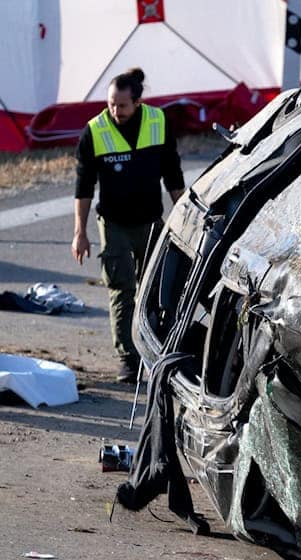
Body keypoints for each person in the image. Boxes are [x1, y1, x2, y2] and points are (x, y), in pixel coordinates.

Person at [71, 68, 185, 382]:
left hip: (150, 223)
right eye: (110, 104)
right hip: (115, 224)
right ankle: (129, 361)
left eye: (121, 106)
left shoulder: (158, 123)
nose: (114, 111)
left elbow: (173, 176)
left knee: (156, 292)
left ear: (137, 102)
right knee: (121, 290)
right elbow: (83, 188)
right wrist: (80, 232)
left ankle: (157, 352)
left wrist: (187, 218)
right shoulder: (94, 131)